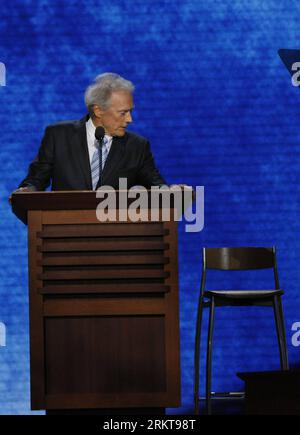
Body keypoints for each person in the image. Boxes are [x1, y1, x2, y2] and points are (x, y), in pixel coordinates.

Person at [14, 73, 166, 193]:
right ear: (98, 110)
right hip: (65, 227)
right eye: (123, 112)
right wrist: (28, 190)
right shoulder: (58, 136)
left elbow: (156, 183)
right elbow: (36, 180)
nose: (130, 119)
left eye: (130, 112)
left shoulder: (137, 146)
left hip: (116, 229)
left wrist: (169, 191)